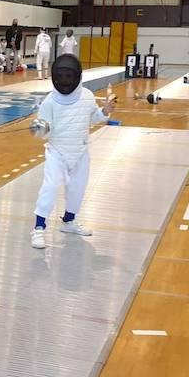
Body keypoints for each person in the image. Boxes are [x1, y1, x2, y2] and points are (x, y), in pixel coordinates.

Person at [30, 54, 113, 250]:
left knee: (78, 188)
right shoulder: (49, 102)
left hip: (80, 151)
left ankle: (69, 221)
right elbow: (44, 133)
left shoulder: (87, 96)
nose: (65, 80)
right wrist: (40, 130)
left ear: (77, 76)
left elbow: (92, 118)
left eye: (69, 76)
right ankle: (38, 228)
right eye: (62, 76)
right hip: (57, 152)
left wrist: (105, 111)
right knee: (50, 187)